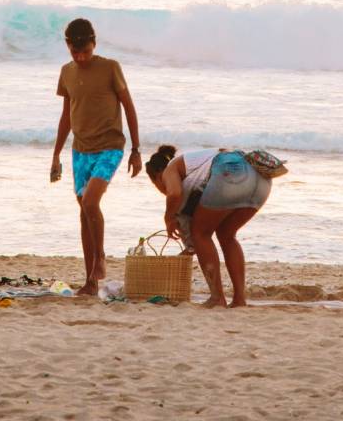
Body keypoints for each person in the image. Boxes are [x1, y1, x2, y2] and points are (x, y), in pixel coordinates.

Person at [50, 18, 142, 296]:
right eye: (75, 52)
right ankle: (90, 281)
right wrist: (56, 155)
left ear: (94, 44)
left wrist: (136, 150)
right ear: (67, 46)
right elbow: (67, 115)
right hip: (80, 150)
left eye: (86, 52)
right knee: (84, 212)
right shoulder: (66, 72)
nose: (81, 57)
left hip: (110, 147)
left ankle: (99, 259)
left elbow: (129, 107)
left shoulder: (110, 68)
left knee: (91, 202)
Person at [145, 146, 272, 308]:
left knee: (201, 234)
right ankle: (240, 300)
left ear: (157, 177)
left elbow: (174, 194)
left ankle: (217, 298)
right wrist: (188, 250)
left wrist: (168, 218)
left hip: (229, 174)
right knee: (227, 235)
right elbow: (195, 245)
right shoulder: (196, 172)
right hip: (261, 178)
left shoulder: (170, 169)